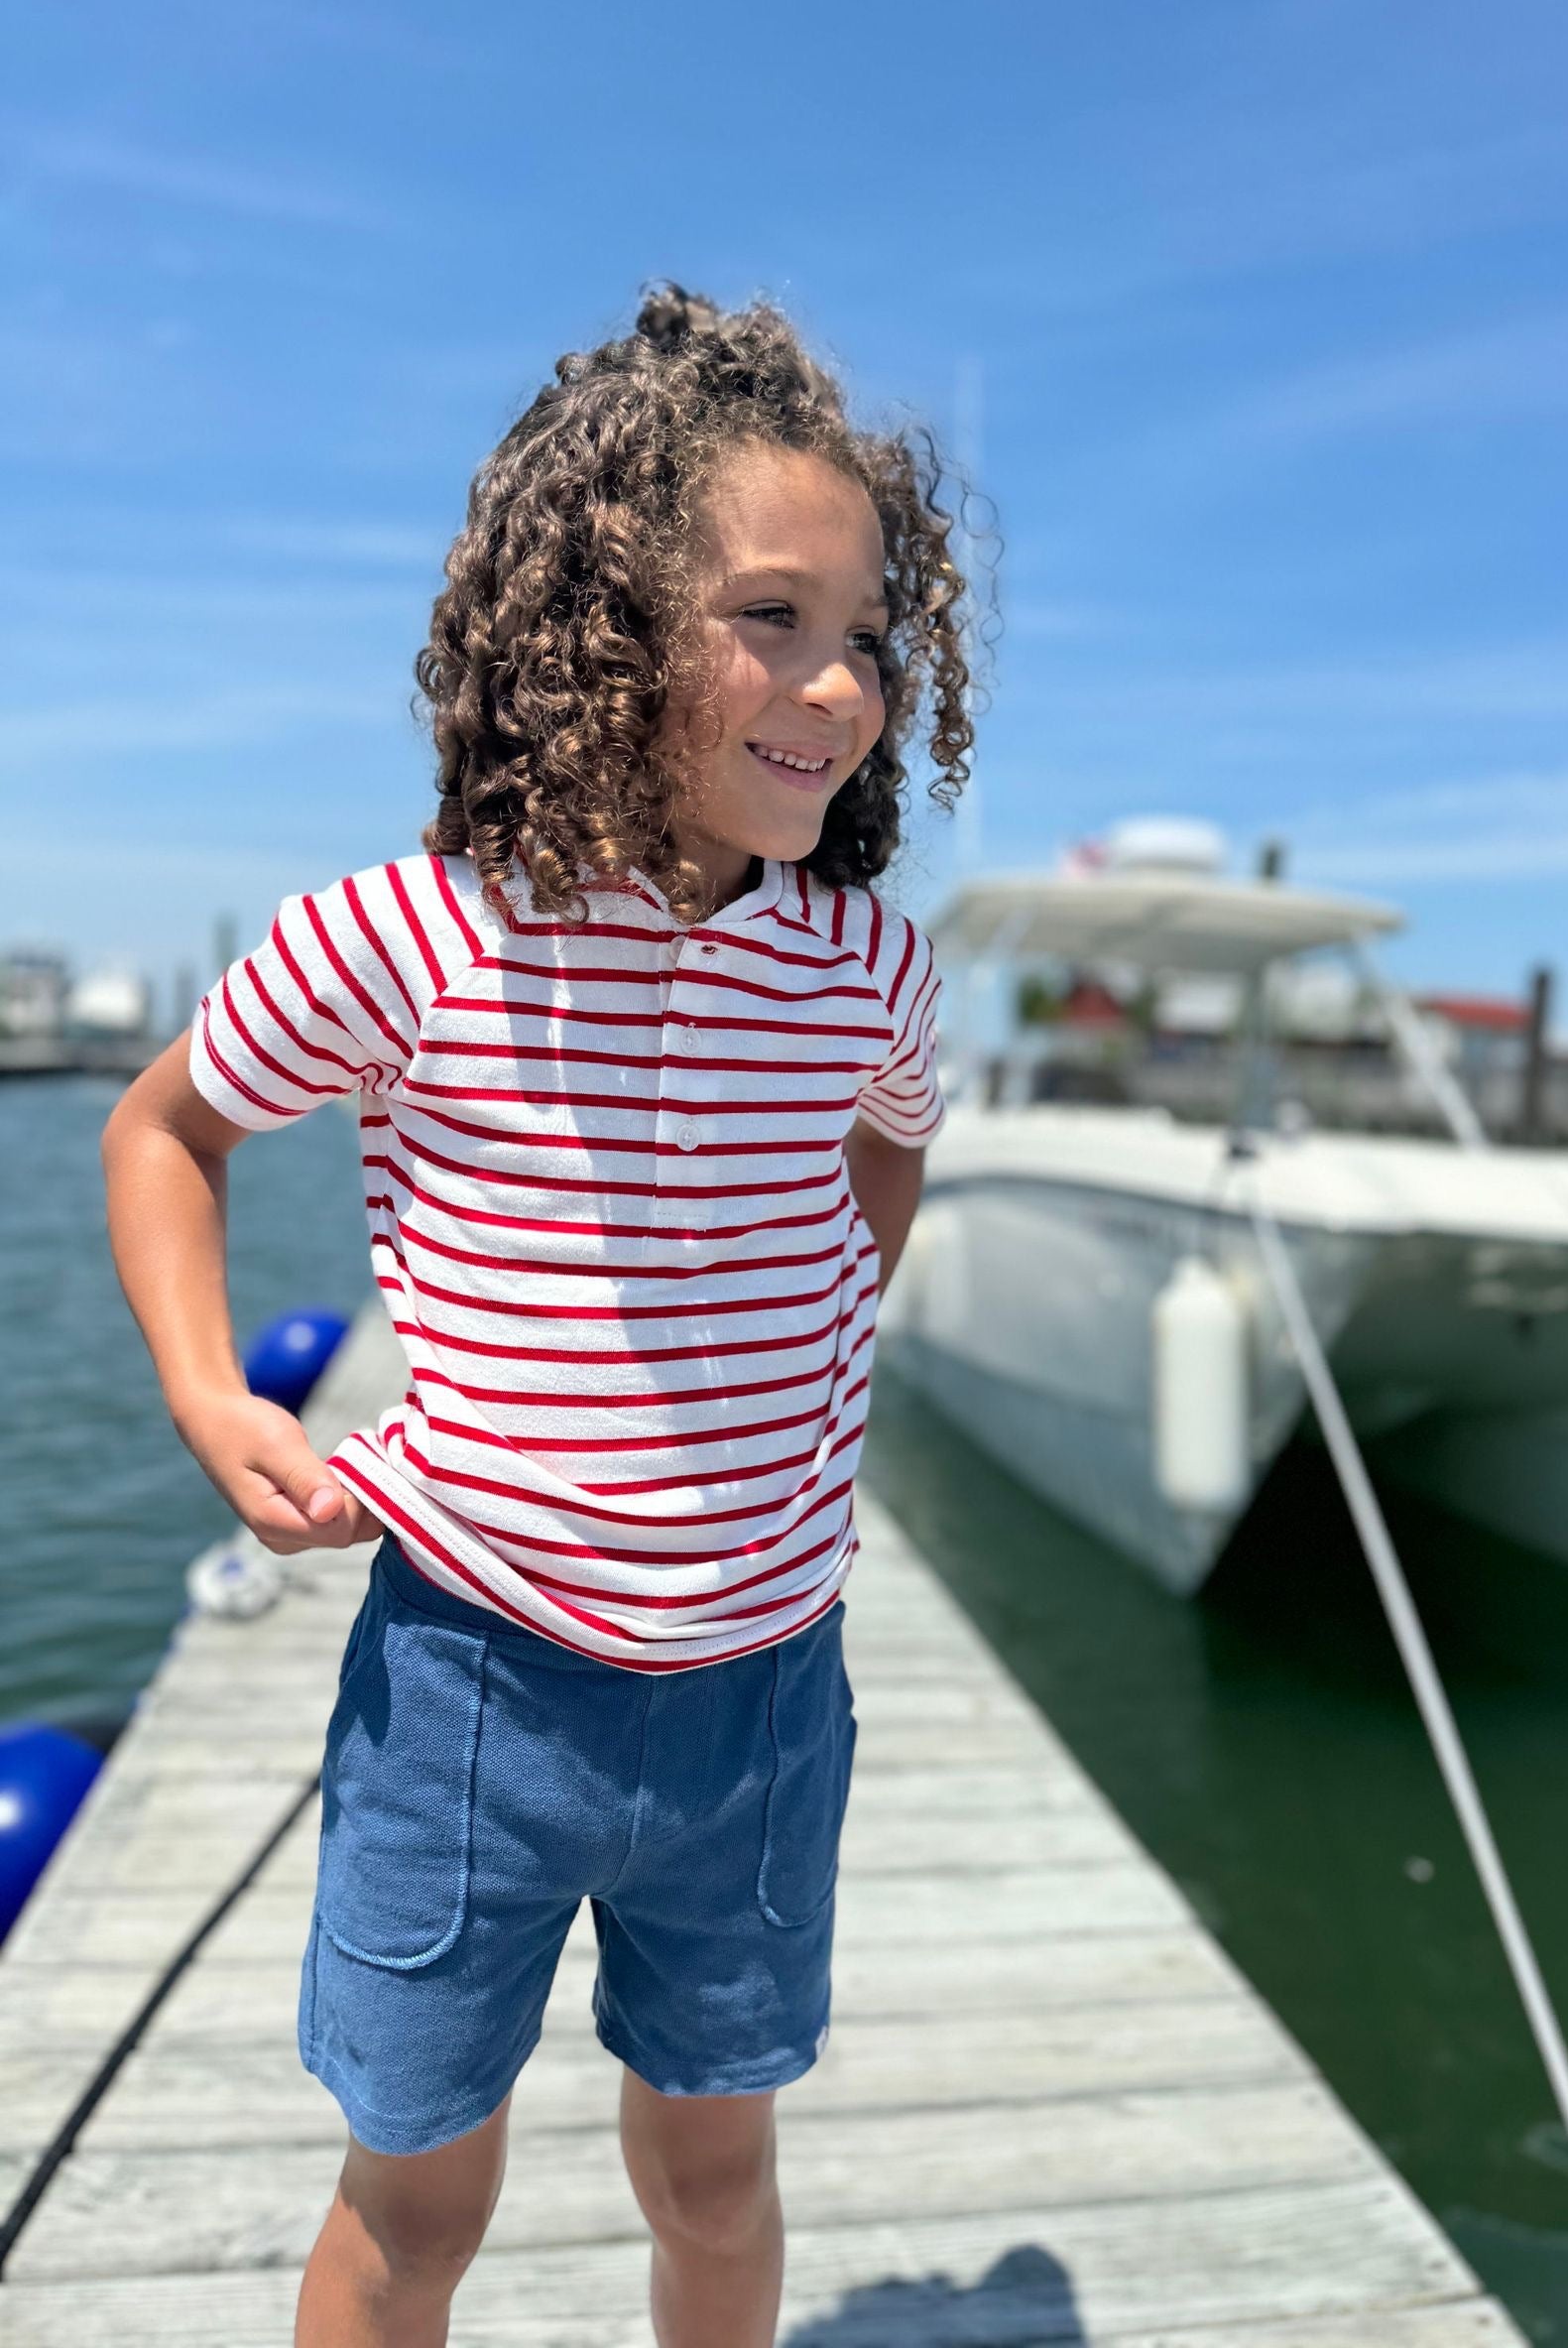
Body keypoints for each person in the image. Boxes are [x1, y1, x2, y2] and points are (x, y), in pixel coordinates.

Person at [100, 282, 978, 2348]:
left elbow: (894, 1144)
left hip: (766, 1693)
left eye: (870, 637)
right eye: (772, 616)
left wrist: (824, 1320)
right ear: (598, 625)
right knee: (418, 2203)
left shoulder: (870, 970)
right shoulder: (404, 938)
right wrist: (210, 1396)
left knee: (718, 2178)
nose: (838, 684)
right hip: (471, 1690)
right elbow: (167, 1128)